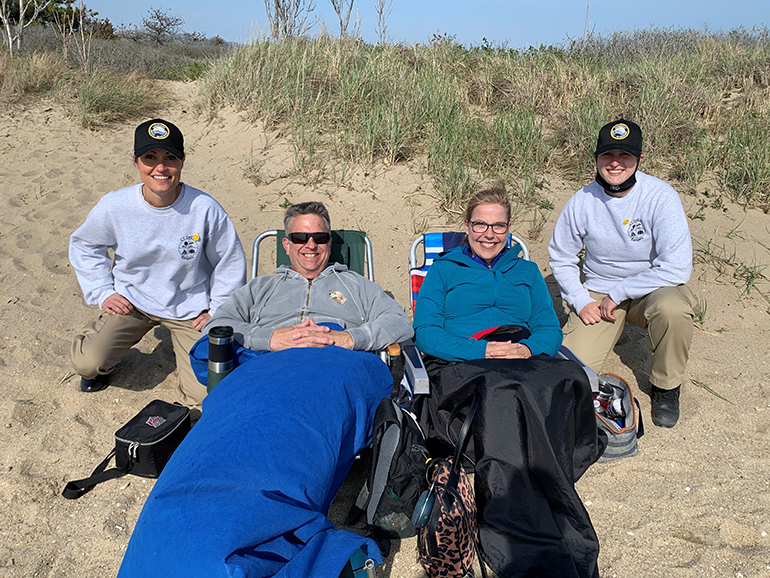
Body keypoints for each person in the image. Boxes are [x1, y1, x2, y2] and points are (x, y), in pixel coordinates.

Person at [413, 186, 601, 578]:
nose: (489, 234)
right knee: (504, 392)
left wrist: (528, 349)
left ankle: (539, 471)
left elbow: (549, 329)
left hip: (519, 356)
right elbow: (426, 334)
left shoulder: (526, 272)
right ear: (467, 227)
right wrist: (484, 350)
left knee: (568, 375)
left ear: (509, 229)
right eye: (480, 224)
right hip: (464, 360)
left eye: (498, 226)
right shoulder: (443, 270)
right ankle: (512, 512)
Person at [69, 118, 246, 407]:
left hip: (189, 308)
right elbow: (85, 245)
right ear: (136, 161)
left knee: (206, 395)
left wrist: (217, 310)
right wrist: (103, 291)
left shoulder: (204, 208)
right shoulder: (115, 205)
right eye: (150, 157)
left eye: (170, 158)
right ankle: (101, 347)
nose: (160, 168)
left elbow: (229, 261)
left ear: (182, 161)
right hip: (133, 301)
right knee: (88, 363)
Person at [548, 119, 699, 428]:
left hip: (651, 290)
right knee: (567, 375)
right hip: (599, 293)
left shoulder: (660, 195)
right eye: (608, 155)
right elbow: (561, 256)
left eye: (624, 155)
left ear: (639, 159)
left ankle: (666, 387)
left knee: (674, 310)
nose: (615, 163)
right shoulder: (582, 201)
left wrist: (620, 293)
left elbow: (677, 265)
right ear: (596, 158)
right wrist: (580, 300)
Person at [203, 201, 412, 352]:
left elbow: (399, 322)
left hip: (337, 364)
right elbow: (215, 325)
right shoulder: (261, 287)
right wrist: (269, 338)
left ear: (329, 243)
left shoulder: (356, 284)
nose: (311, 245)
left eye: (319, 238)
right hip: (271, 364)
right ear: (287, 245)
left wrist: (350, 338)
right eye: (300, 237)